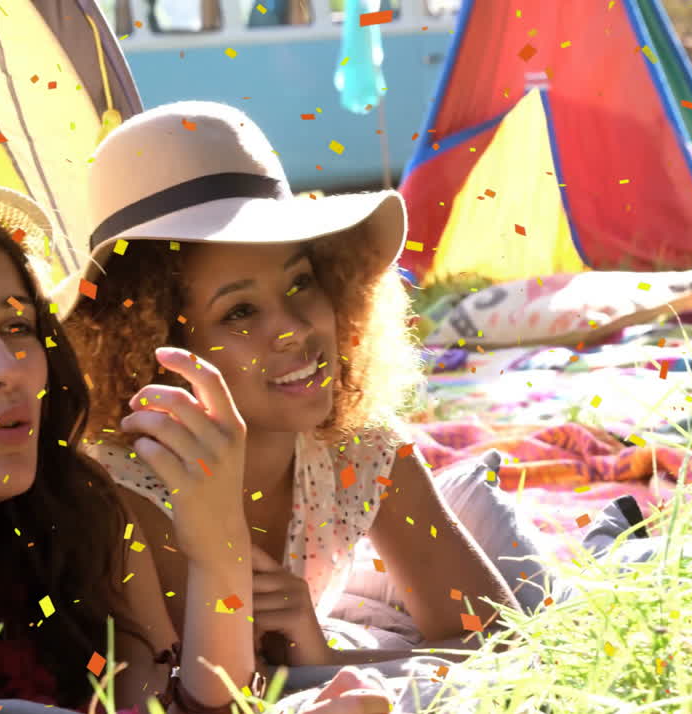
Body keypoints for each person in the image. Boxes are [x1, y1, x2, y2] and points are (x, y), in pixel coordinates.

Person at [0, 150, 394, 714]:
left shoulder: (86, 515)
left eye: (19, 325)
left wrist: (219, 550)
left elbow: (190, 709)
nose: (6, 366)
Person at [59, 101, 521, 670]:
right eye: (240, 312)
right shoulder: (125, 494)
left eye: (302, 282)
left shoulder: (358, 444)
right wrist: (321, 667)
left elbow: (503, 644)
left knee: (496, 527)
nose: (296, 330)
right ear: (152, 351)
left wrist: (319, 651)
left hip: (344, 631)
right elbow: (204, 700)